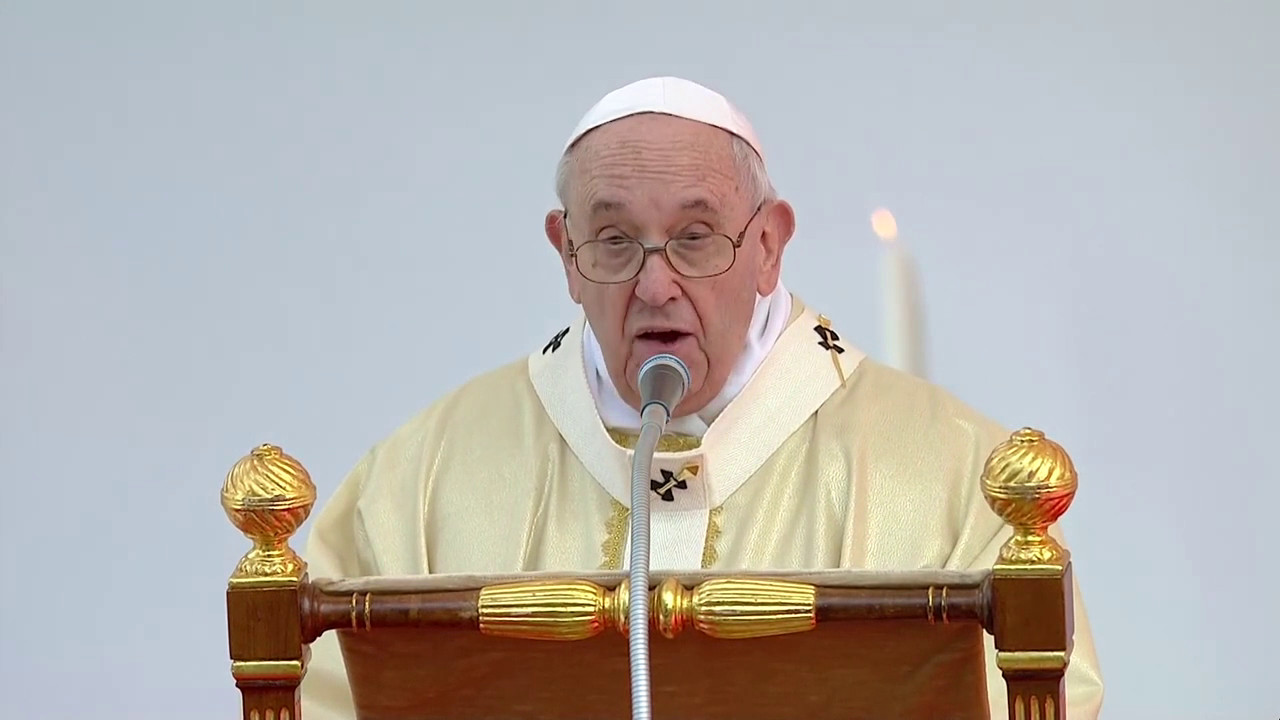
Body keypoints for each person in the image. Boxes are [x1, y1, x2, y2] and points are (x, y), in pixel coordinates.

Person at [298, 76, 1104, 718]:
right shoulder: (421, 480)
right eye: (613, 241)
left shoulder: (958, 475)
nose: (656, 285)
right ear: (565, 253)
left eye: (694, 238)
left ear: (767, 246)